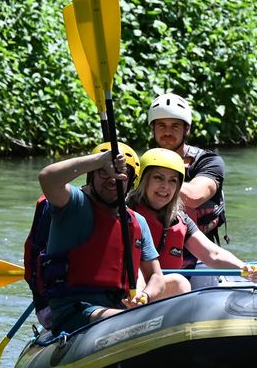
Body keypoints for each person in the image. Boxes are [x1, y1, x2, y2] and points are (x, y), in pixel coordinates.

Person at [35, 142, 163, 333]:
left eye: (122, 174)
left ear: (131, 182)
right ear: (91, 175)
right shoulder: (73, 204)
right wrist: (99, 160)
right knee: (136, 321)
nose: (113, 179)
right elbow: (48, 178)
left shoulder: (137, 222)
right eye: (104, 172)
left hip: (117, 308)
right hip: (75, 311)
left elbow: (156, 276)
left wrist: (144, 296)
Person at [127, 148, 257, 300]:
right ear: (143, 180)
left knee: (179, 283)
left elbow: (213, 254)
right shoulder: (125, 213)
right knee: (180, 283)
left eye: (173, 180)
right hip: (127, 289)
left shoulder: (179, 220)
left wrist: (243, 269)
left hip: (154, 294)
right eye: (158, 178)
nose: (166, 186)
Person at [147, 93, 226, 258]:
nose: (167, 132)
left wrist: (148, 177)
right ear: (152, 129)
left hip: (200, 253)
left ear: (186, 129)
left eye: (175, 126)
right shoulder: (144, 164)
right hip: (152, 252)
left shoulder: (209, 161)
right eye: (161, 125)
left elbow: (194, 196)